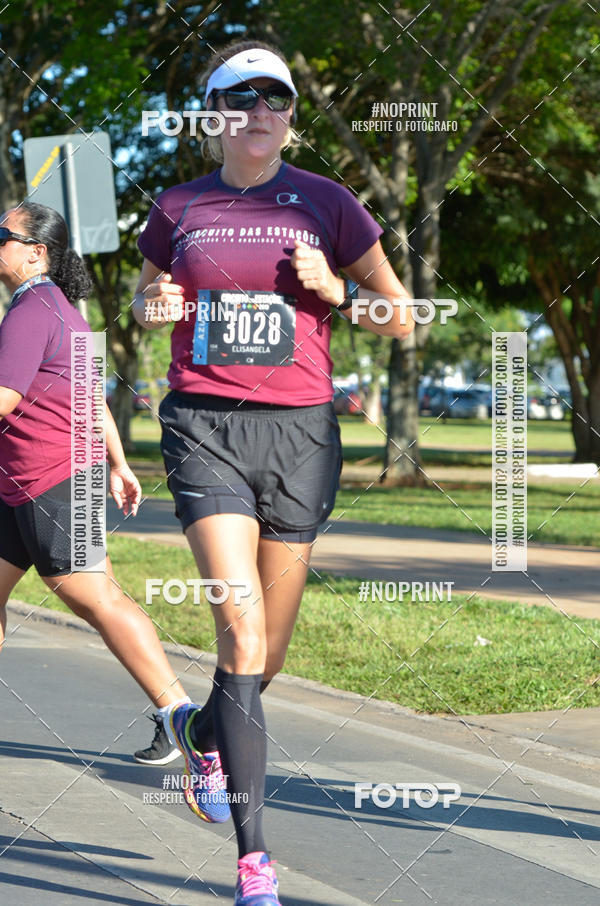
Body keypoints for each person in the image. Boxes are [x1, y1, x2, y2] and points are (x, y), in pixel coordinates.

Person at [133, 39, 414, 906]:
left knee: (268, 658)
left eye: (278, 97)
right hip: (205, 426)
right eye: (243, 95)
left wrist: (334, 288)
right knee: (243, 639)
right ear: (214, 112)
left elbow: (399, 318)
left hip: (301, 435)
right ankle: (256, 862)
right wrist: (155, 305)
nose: (262, 110)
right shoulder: (178, 206)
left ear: (291, 112)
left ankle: (197, 728)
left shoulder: (329, 203)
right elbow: (141, 304)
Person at [0, 201, 195, 767]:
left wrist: (110, 465)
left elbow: (5, 399)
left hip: (51, 479)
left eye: (2, 234)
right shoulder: (59, 308)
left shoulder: (33, 310)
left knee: (96, 598)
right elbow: (91, 395)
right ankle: (175, 715)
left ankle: (183, 718)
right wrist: (119, 463)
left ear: (36, 253)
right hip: (29, 480)